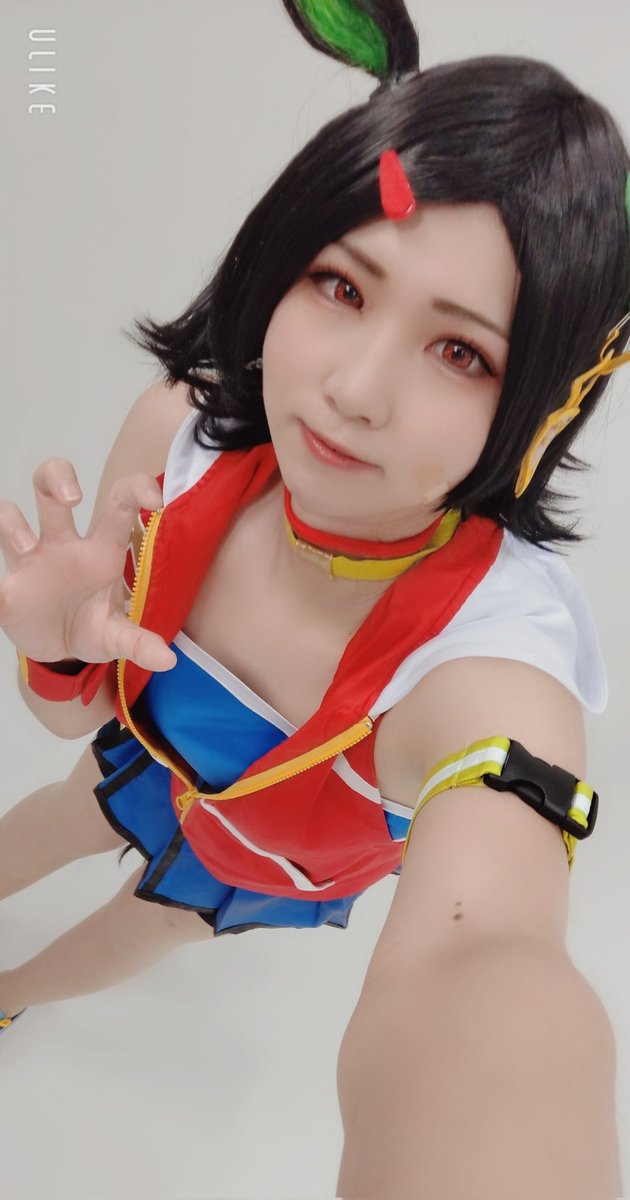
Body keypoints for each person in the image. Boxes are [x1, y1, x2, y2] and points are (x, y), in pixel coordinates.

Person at [0, 0, 627, 1193]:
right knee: (48, 821)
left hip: (262, 864)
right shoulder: (177, 439)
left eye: (462, 352)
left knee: (137, 929)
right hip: (143, 759)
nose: (355, 389)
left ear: (543, 402)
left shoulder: (489, 655)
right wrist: (57, 655)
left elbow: (488, 968)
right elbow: (73, 712)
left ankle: (9, 993)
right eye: (342, 285)